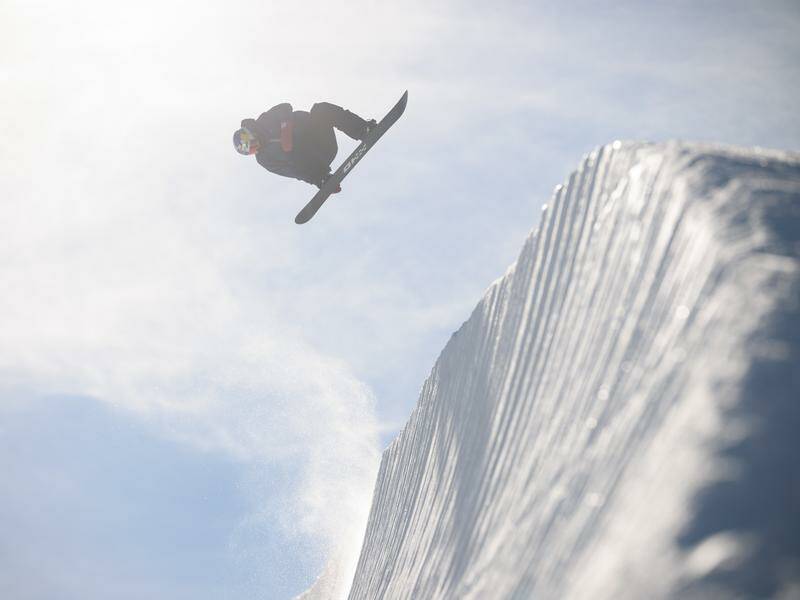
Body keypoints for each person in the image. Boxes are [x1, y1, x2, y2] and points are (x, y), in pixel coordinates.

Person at [233, 101, 376, 192]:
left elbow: (284, 107)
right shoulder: (265, 159)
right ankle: (322, 177)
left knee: (320, 110)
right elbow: (292, 171)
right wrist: (320, 182)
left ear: (250, 133)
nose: (254, 147)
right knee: (290, 152)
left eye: (250, 143)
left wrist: (286, 129)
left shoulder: (264, 121)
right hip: (316, 159)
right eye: (250, 150)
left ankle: (363, 130)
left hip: (319, 137)